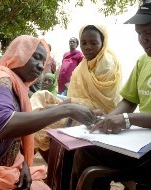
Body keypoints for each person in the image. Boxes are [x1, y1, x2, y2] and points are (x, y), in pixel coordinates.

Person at [69, 0, 151, 190]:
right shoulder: (144, 61)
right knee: (79, 146)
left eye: (148, 33)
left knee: (87, 155)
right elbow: (129, 101)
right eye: (138, 34)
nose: (142, 40)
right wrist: (107, 119)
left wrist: (128, 120)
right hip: (143, 141)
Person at [0, 35, 96, 190]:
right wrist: (66, 109)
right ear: (20, 53)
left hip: (6, 170)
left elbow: (14, 139)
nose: (40, 67)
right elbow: (3, 124)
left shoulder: (18, 87)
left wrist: (22, 163)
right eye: (36, 58)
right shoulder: (2, 82)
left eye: (43, 62)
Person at [32, 25, 122, 165]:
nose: (87, 47)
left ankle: (53, 165)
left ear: (102, 43)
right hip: (76, 105)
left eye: (93, 43)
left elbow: (105, 101)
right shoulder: (83, 65)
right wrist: (64, 105)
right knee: (41, 95)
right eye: (84, 43)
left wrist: (64, 105)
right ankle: (35, 115)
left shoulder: (106, 63)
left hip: (101, 111)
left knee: (42, 126)